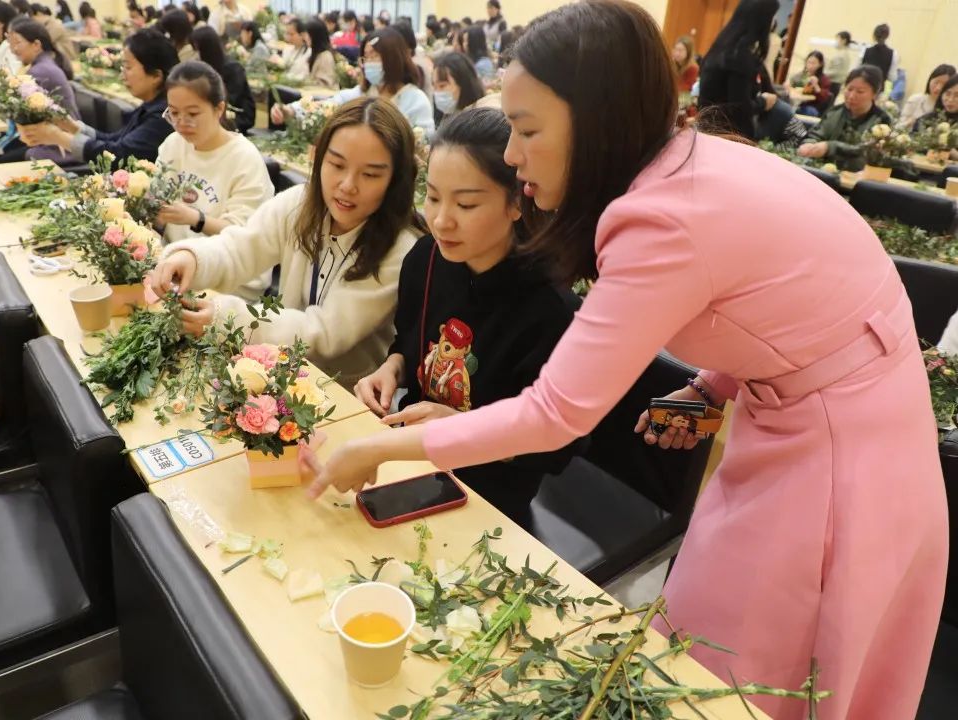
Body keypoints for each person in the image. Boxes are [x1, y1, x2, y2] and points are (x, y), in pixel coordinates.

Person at [303, 5, 946, 720]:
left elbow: (553, 414)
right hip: (825, 407)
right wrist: (713, 385)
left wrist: (379, 448)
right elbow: (791, 300)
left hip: (840, 452)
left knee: (744, 674)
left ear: (596, 121)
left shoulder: (657, 218)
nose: (511, 156)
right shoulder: (686, 164)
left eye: (526, 130)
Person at [355, 107, 577, 527]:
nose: (441, 220)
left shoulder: (551, 309)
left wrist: (460, 426)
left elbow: (557, 448)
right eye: (433, 197)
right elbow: (409, 341)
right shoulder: (426, 258)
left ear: (517, 202)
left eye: (466, 203)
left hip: (489, 499)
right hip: (414, 463)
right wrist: (391, 368)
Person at [149, 97, 425, 389]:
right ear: (319, 157)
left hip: (346, 396)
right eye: (336, 164)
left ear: (396, 180)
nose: (347, 185)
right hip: (280, 374)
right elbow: (241, 247)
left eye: (369, 175)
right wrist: (191, 258)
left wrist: (228, 319)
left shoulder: (400, 249)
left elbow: (324, 332)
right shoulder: (299, 204)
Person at [155, 60, 272, 248]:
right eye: (174, 113)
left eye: (193, 114)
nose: (181, 123)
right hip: (171, 255)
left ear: (219, 109)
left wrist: (196, 219)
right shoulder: (173, 144)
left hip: (224, 262)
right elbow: (156, 203)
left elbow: (245, 235)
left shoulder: (243, 158)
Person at [19, 28, 178, 164]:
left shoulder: (163, 115)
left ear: (156, 76)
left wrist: (58, 137)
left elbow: (119, 155)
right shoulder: (150, 105)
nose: (122, 75)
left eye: (128, 67)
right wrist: (72, 126)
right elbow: (115, 139)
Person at [272, 28, 434, 136]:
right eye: (365, 57)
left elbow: (423, 146)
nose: (368, 63)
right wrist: (291, 110)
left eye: (374, 56)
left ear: (393, 58)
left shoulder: (416, 101)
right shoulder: (363, 93)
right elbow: (328, 106)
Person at [0, 17, 78, 163]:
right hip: (49, 140)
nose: (13, 50)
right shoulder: (42, 64)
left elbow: (9, 101)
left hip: (58, 147)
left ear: (36, 45)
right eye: (11, 43)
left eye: (18, 43)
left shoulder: (41, 70)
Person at [698, 0, 778, 140]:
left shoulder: (719, 48)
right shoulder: (739, 56)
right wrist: (763, 102)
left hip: (707, 130)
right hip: (728, 137)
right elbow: (739, 108)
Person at [797, 65, 892, 170]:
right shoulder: (835, 112)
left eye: (860, 91)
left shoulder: (882, 122)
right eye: (849, 89)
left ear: (875, 94)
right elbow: (815, 134)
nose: (851, 96)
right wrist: (809, 145)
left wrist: (831, 147)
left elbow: (867, 152)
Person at [189, 26, 254, 134]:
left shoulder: (233, 68)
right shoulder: (203, 68)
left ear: (207, 49)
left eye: (197, 49)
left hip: (236, 117)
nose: (196, 54)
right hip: (213, 114)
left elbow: (230, 100)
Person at [431, 52, 484, 127]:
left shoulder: (480, 121)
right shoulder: (447, 117)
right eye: (434, 86)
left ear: (463, 83)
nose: (437, 93)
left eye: (442, 86)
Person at [899, 63, 956, 130]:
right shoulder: (916, 99)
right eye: (936, 82)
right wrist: (909, 123)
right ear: (930, 80)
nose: (938, 88)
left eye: (943, 84)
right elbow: (898, 126)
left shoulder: (948, 108)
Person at [786, 50, 832, 116]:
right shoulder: (802, 74)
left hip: (812, 106)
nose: (810, 65)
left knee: (809, 111)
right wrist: (788, 85)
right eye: (808, 62)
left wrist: (816, 86)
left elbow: (824, 98)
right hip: (798, 103)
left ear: (820, 64)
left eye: (813, 63)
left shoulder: (824, 79)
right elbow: (791, 83)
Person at [30, 3, 76, 67]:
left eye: (32, 18)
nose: (32, 22)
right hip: (60, 61)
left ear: (38, 14)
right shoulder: (47, 25)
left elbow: (43, 44)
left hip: (67, 62)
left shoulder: (54, 25)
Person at [306, 17, 337, 89]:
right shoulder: (315, 53)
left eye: (308, 35)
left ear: (315, 37)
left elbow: (324, 84)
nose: (305, 38)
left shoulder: (325, 56)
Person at [275, 16, 310, 81]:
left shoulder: (309, 53)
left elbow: (304, 77)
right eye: (287, 34)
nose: (288, 37)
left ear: (302, 35)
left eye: (291, 34)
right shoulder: (287, 49)